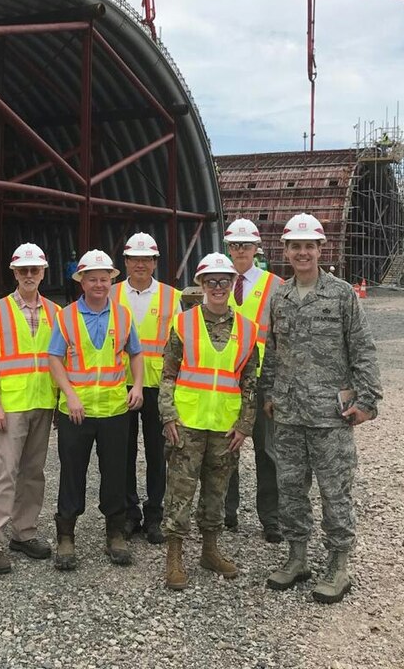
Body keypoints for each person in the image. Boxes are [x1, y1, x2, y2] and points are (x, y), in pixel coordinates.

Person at [261, 213, 383, 603]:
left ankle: (339, 566)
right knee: (291, 489)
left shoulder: (341, 294)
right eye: (295, 246)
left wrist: (367, 402)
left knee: (335, 491)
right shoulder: (279, 295)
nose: (302, 253)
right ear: (286, 250)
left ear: (320, 249)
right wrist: (268, 393)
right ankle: (297, 558)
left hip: (331, 415)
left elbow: (362, 349)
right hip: (289, 412)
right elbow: (272, 351)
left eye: (309, 246)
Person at [159, 252, 260, 590]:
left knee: (217, 491)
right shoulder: (183, 323)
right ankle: (174, 557)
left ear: (233, 284)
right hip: (187, 422)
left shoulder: (248, 330)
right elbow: (168, 374)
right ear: (201, 285)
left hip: (225, 425)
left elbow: (250, 382)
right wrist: (168, 415)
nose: (218, 287)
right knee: (180, 490)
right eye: (211, 281)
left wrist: (245, 425)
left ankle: (210, 551)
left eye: (224, 281)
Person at [48, 250, 143, 570]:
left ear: (111, 281)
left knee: (115, 473)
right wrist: (71, 396)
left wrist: (139, 386)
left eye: (104, 279)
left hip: (115, 410)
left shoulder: (123, 315)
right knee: (72, 473)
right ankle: (66, 537)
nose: (99, 284)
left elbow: (136, 354)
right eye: (93, 279)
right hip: (77, 411)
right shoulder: (67, 316)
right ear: (82, 282)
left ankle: (115, 534)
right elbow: (54, 360)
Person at [0, 243, 60, 574]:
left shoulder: (56, 312)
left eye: (34, 270)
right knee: (4, 473)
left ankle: (24, 533)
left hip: (43, 402)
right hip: (11, 406)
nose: (29, 275)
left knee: (33, 473)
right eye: (23, 270)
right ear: (14, 273)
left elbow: (59, 360)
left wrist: (59, 402)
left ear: (43, 273)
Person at [110, 232, 181, 544]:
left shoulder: (172, 297)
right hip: (119, 382)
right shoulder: (109, 294)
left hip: (159, 385)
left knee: (156, 452)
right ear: (125, 262)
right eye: (134, 259)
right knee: (123, 451)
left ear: (155, 262)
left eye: (146, 259)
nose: (140, 264)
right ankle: (128, 513)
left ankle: (154, 514)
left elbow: (180, 344)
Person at [223, 217, 284, 542]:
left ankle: (271, 519)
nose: (240, 251)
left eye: (245, 245)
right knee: (227, 448)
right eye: (234, 245)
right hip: (228, 381)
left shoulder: (275, 285)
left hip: (262, 384)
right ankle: (226, 512)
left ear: (255, 248)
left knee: (268, 452)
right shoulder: (217, 280)